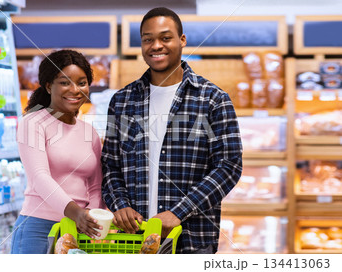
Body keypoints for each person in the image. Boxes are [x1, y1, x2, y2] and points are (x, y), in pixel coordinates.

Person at [101, 7, 243, 254]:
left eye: (165, 38)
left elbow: (229, 166)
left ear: (182, 40)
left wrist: (180, 212)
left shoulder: (212, 99)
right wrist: (120, 205)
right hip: (133, 239)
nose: (156, 45)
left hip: (191, 239)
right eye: (148, 39)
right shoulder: (122, 101)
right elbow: (110, 165)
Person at [12, 49, 105, 254]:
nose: (75, 90)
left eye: (81, 83)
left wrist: (90, 214)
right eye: (64, 82)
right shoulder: (33, 122)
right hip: (39, 227)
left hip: (80, 230)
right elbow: (39, 177)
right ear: (48, 86)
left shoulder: (89, 131)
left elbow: (96, 186)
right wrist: (76, 213)